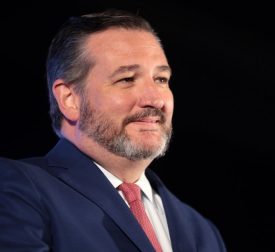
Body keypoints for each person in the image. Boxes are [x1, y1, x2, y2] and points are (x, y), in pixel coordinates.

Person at [0, 8, 227, 252]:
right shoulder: (15, 187)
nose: (155, 99)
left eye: (161, 79)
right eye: (127, 79)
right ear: (70, 99)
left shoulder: (201, 231)